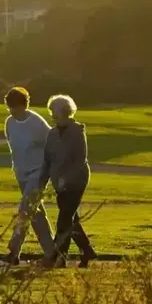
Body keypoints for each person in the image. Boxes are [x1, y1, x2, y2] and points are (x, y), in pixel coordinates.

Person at [37, 94, 97, 268]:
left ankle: (58, 257)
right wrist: (42, 183)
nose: (52, 113)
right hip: (59, 182)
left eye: (54, 110)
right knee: (70, 219)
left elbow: (80, 160)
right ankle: (86, 250)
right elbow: (47, 160)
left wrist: (66, 179)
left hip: (76, 181)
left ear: (65, 111)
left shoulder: (77, 132)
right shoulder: (53, 133)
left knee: (64, 219)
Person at [2, 87, 54, 265]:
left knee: (25, 209)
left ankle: (13, 248)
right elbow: (13, 147)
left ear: (24, 105)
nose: (11, 111)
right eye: (9, 107)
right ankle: (52, 252)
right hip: (21, 173)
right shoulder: (9, 122)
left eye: (14, 107)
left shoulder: (36, 122)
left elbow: (52, 143)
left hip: (38, 172)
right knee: (36, 215)